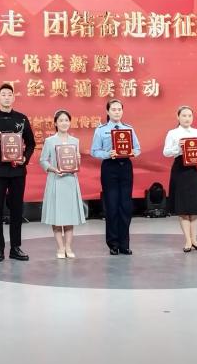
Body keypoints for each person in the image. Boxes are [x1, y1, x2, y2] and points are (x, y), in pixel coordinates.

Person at [0, 83, 36, 262]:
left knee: (17, 209)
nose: (7, 97)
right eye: (3, 94)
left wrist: (25, 158)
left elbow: (31, 143)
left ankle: (15, 247)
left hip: (18, 171)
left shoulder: (22, 118)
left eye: (10, 94)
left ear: (13, 97)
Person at [90, 99, 141, 256]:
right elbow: (94, 151)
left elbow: (138, 148)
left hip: (125, 167)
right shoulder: (101, 130)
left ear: (122, 111)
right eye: (113, 109)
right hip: (109, 168)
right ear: (108, 111)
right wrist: (107, 153)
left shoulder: (128, 129)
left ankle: (124, 244)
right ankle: (113, 243)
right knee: (111, 206)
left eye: (119, 109)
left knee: (125, 206)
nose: (117, 112)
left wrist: (132, 152)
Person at [162, 105, 197, 252]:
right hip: (181, 170)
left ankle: (195, 240)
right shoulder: (173, 133)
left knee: (195, 206)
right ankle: (188, 241)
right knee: (183, 206)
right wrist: (178, 148)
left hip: (196, 170)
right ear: (178, 117)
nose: (187, 118)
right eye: (184, 115)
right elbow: (166, 152)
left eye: (190, 116)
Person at [39, 110, 87, 259]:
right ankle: (60, 248)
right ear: (55, 123)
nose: (64, 123)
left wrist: (78, 159)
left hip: (70, 181)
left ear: (70, 122)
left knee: (69, 216)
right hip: (56, 180)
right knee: (56, 216)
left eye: (66, 120)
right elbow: (43, 160)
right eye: (61, 120)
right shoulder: (50, 141)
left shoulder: (75, 141)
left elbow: (75, 164)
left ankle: (68, 247)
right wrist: (53, 169)